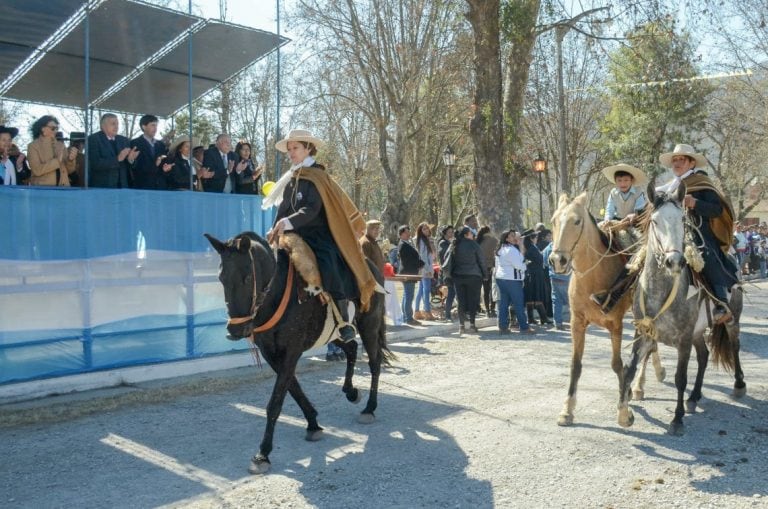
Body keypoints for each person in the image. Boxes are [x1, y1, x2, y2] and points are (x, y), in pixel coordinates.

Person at [265, 129, 376, 341]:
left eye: (295, 148)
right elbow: (283, 209)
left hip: (318, 235)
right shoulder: (292, 177)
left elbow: (312, 209)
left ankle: (343, 320)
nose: (291, 153)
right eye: (289, 149)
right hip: (292, 234)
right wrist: (274, 227)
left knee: (327, 261)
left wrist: (287, 222)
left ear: (308, 148)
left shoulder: (318, 176)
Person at [657, 143, 739, 323]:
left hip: (697, 233)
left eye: (681, 160)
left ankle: (721, 303)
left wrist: (695, 203)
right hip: (671, 233)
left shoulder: (702, 184)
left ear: (691, 163)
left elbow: (717, 210)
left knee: (707, 255)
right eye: (675, 160)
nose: (677, 163)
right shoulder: (667, 188)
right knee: (643, 256)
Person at [445, 226, 486, 334]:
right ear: (466, 235)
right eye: (471, 233)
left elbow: (447, 260)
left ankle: (461, 326)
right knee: (473, 300)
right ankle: (472, 325)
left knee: (461, 301)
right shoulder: (474, 245)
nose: (473, 235)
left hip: (458, 276)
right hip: (473, 276)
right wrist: (485, 274)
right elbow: (481, 260)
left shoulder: (454, 244)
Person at [494, 229, 533, 335]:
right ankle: (524, 327)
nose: (514, 237)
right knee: (518, 303)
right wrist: (525, 265)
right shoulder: (510, 250)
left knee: (504, 304)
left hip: (502, 278)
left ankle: (503, 327)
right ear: (507, 238)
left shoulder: (501, 249)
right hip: (512, 279)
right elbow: (519, 265)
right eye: (511, 236)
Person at [88, 113, 137, 188]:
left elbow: (130, 166)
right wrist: (117, 159)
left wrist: (131, 160)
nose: (116, 127)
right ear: (103, 126)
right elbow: (95, 163)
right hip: (102, 187)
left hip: (123, 187)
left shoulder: (124, 140)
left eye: (117, 124)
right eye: (113, 124)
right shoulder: (93, 139)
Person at [26, 115, 70, 187]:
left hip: (63, 189)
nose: (55, 131)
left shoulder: (61, 145)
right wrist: (57, 161)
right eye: (53, 128)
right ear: (42, 128)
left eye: (57, 128)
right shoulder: (33, 146)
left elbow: (69, 170)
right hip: (43, 191)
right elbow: (37, 170)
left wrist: (71, 160)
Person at [130, 114, 171, 190]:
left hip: (160, 188)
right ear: (144, 127)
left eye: (156, 126)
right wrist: (155, 165)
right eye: (152, 125)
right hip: (143, 188)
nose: (155, 128)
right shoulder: (134, 143)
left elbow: (164, 166)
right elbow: (136, 167)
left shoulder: (161, 145)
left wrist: (166, 169)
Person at [522, 229, 553, 326]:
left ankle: (532, 318)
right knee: (537, 295)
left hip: (534, 274)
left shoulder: (531, 247)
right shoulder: (531, 248)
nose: (537, 238)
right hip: (535, 274)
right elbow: (538, 260)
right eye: (535, 237)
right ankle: (543, 317)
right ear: (531, 239)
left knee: (532, 296)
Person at [542, 237, 571, 331]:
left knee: (556, 301)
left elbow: (545, 263)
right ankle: (575, 321)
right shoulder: (566, 248)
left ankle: (558, 323)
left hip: (554, 277)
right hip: (566, 277)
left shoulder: (548, 248)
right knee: (571, 301)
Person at [396, 224, 423, 326]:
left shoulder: (407, 243)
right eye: (406, 232)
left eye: (409, 232)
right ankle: (408, 318)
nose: (409, 234)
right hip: (407, 273)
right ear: (401, 234)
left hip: (409, 272)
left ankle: (406, 317)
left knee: (406, 295)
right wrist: (420, 264)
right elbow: (408, 261)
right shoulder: (403, 245)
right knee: (409, 296)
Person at [414, 222, 437, 321]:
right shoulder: (421, 241)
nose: (426, 230)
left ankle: (417, 311)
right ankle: (427, 312)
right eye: (424, 229)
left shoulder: (425, 240)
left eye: (427, 228)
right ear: (420, 231)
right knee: (426, 291)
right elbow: (423, 257)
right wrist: (428, 269)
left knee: (421, 290)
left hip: (424, 268)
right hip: (425, 269)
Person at [477, 226, 498, 318]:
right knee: (492, 289)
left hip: (481, 268)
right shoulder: (494, 240)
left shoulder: (477, 241)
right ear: (489, 231)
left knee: (485, 290)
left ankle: (487, 310)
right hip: (492, 267)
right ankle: (493, 308)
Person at [437, 225, 456, 321]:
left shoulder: (449, 243)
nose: (452, 234)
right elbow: (444, 258)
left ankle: (449, 314)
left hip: (452, 272)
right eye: (449, 232)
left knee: (452, 293)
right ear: (444, 233)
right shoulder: (443, 243)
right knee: (450, 293)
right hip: (447, 273)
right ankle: (447, 315)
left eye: (453, 232)